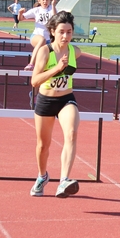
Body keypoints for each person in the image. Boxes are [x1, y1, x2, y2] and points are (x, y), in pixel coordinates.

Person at [30, 11, 82, 198]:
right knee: (43, 145)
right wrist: (57, 69)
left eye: (69, 32)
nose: (65, 36)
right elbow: (34, 81)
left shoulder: (75, 51)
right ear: (52, 31)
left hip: (66, 99)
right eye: (61, 32)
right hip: (46, 100)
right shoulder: (45, 51)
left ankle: (64, 181)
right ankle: (42, 176)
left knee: (72, 133)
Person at [18, 0, 56, 71]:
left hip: (48, 40)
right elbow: (21, 19)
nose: (45, 1)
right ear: (39, 1)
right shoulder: (36, 10)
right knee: (42, 40)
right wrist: (20, 13)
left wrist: (53, 5)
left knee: (48, 62)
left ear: (50, 0)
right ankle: (31, 63)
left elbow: (56, 18)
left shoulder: (52, 9)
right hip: (36, 37)